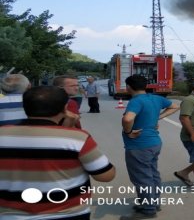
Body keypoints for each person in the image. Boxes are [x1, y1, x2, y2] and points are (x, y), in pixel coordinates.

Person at [0, 86, 116, 219]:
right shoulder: (77, 138)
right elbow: (105, 176)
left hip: (9, 215)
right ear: (65, 109)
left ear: (24, 106)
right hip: (68, 213)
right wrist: (69, 128)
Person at [121, 75, 179, 219]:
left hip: (139, 145)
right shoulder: (156, 98)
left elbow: (128, 119)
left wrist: (128, 132)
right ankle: (153, 202)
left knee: (142, 177)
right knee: (152, 174)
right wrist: (157, 117)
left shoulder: (136, 101)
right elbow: (175, 106)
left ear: (129, 87)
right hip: (154, 143)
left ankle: (148, 209)